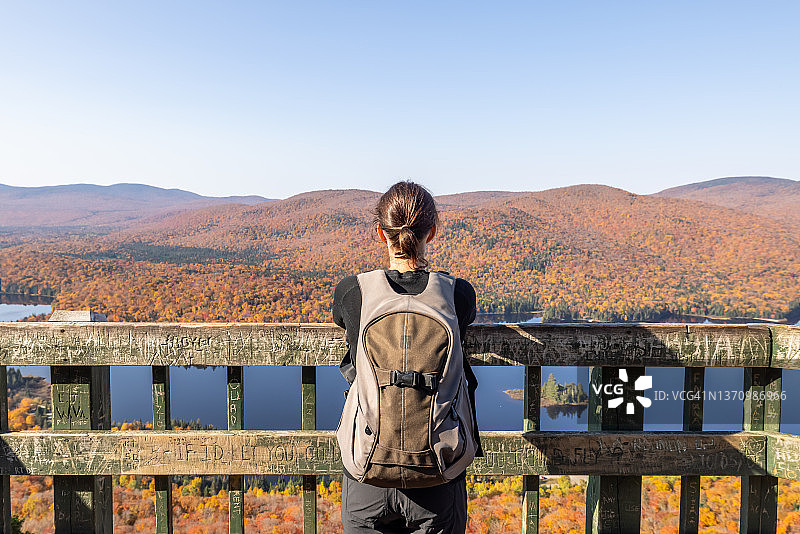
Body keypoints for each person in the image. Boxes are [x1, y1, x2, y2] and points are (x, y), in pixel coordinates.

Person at [332, 180, 481, 534]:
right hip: (438, 469)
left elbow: (342, 320)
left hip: (367, 467)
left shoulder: (353, 291)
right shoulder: (457, 294)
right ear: (433, 231)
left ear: (380, 234)